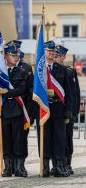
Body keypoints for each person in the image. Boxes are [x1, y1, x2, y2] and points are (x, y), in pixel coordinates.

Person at [40, 41, 73, 177]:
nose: (52, 53)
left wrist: (68, 111)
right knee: (45, 138)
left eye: (53, 51)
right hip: (44, 109)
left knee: (59, 139)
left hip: (58, 109)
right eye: (49, 51)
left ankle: (58, 166)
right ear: (44, 52)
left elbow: (68, 92)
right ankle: (45, 166)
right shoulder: (39, 69)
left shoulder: (62, 69)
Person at [0, 43, 28, 177]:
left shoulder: (21, 72)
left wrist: (6, 93)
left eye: (16, 55)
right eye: (12, 55)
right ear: (5, 56)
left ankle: (19, 167)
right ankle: (8, 167)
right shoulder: (0, 73)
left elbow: (22, 90)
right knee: (6, 140)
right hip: (4, 110)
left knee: (19, 140)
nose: (15, 57)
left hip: (17, 110)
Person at [54, 44, 80, 175]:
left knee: (67, 138)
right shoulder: (52, 71)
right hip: (57, 111)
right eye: (56, 55)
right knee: (58, 138)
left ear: (64, 57)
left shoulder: (69, 71)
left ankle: (67, 163)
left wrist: (73, 112)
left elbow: (74, 94)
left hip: (67, 112)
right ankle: (58, 163)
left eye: (59, 56)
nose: (57, 58)